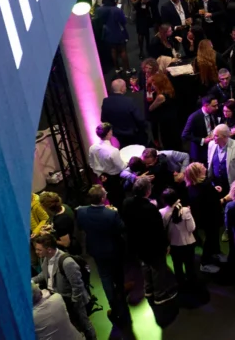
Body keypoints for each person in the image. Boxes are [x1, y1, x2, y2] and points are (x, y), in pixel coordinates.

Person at [75, 185, 130, 332]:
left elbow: (81, 227)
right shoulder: (111, 214)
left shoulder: (81, 211)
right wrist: (115, 212)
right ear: (103, 198)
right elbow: (121, 228)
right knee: (118, 272)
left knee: (104, 276)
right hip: (113, 249)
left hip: (95, 250)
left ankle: (113, 303)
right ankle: (121, 293)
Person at [123, 176, 178, 304]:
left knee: (145, 265)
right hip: (152, 245)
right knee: (158, 269)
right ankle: (160, 295)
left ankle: (148, 289)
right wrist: (166, 244)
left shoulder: (127, 203)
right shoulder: (151, 208)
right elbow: (158, 229)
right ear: (148, 191)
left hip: (137, 243)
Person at [87, 122, 127, 209]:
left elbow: (92, 164)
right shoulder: (113, 151)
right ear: (109, 132)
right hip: (115, 178)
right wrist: (126, 163)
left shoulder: (92, 148)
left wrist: (100, 175)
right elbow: (121, 167)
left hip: (104, 178)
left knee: (111, 198)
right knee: (120, 199)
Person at [207, 123, 235, 194]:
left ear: (224, 137)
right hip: (216, 185)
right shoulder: (211, 144)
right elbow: (210, 162)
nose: (213, 138)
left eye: (216, 136)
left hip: (232, 185)